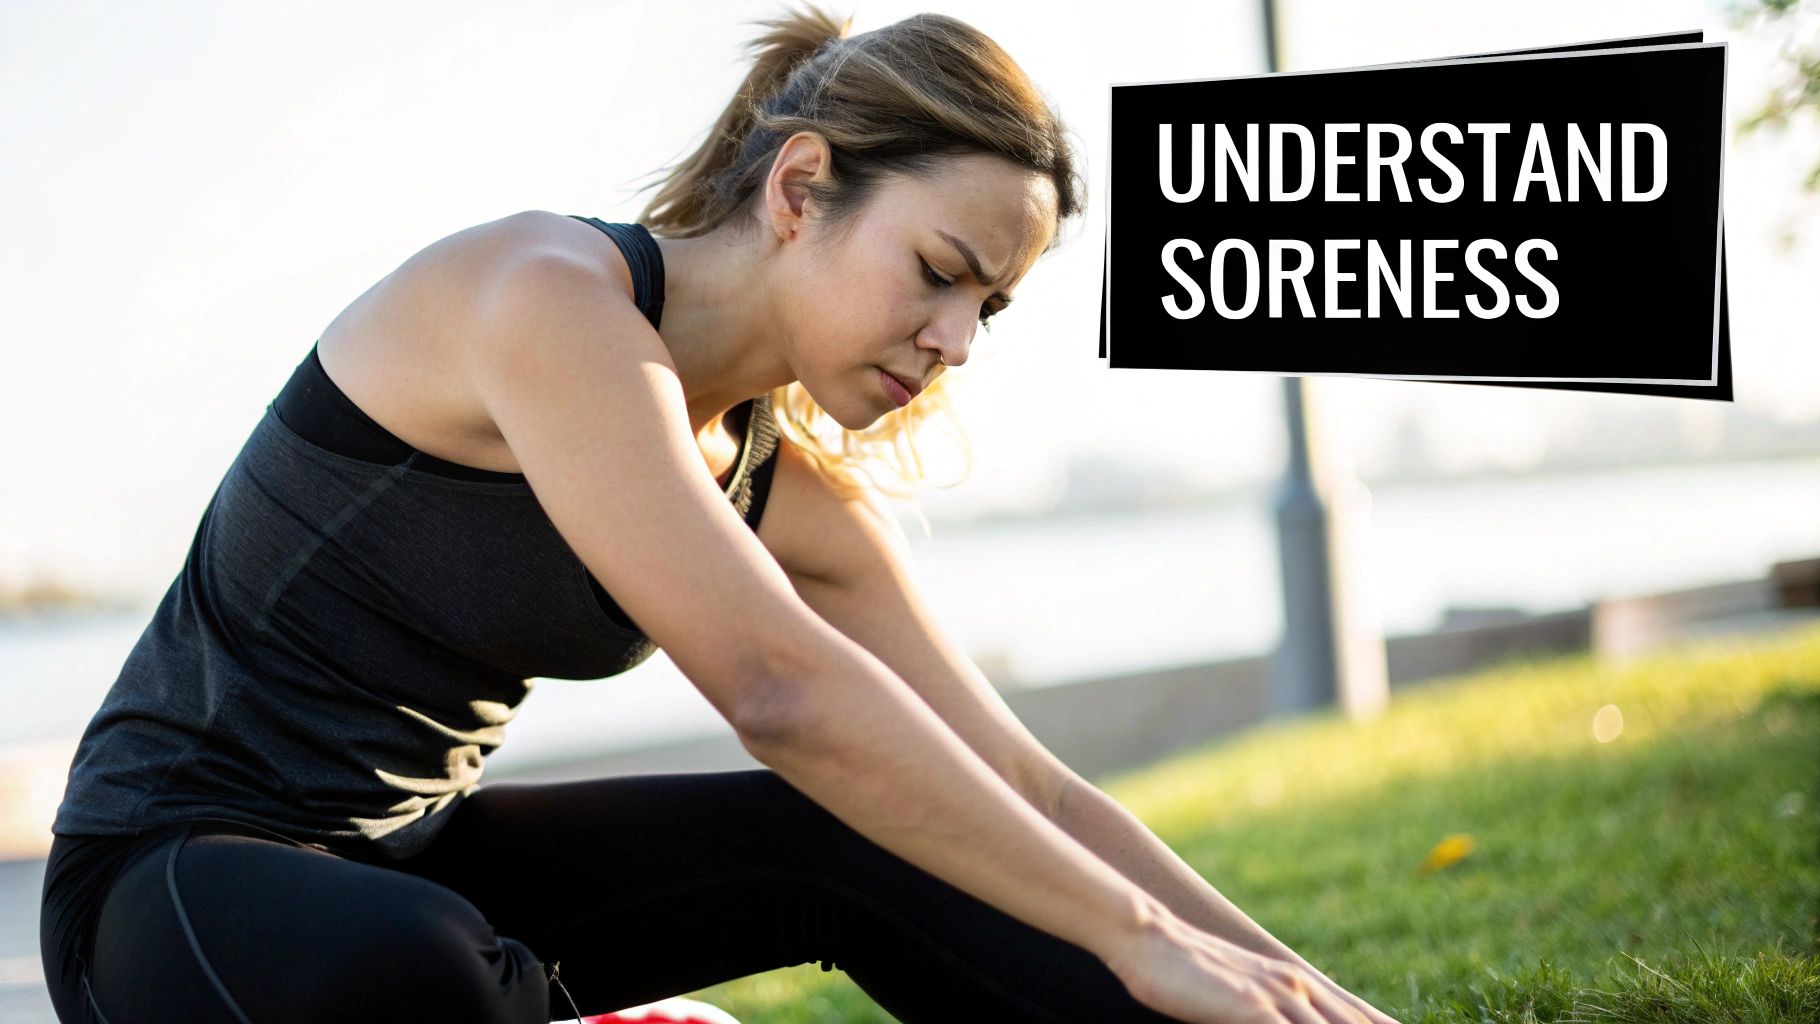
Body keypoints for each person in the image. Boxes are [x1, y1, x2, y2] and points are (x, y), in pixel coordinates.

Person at [37, 6, 1402, 1024]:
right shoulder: (542, 298)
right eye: (939, 271)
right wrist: (1135, 932)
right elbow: (778, 690)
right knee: (413, 968)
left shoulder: (780, 486)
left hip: (424, 867)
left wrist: (1284, 984)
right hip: (173, 884)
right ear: (800, 189)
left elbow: (1024, 787)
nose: (956, 340)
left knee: (881, 829)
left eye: (988, 308)